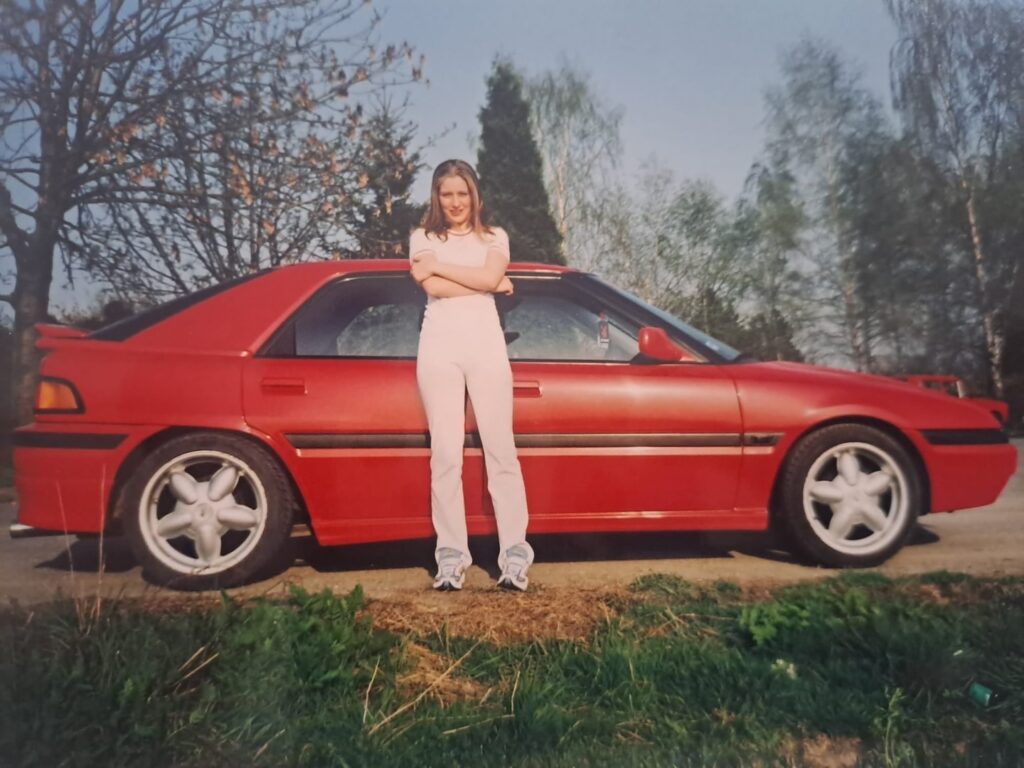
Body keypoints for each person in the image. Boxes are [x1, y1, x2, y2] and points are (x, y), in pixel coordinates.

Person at [409, 159, 534, 592]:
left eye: (462, 193)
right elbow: (433, 288)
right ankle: (450, 555)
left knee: (501, 450)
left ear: (474, 195)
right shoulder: (422, 237)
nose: (456, 202)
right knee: (445, 454)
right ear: (436, 197)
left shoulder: (494, 236)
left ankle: (514, 553)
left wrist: (445, 268)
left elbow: (482, 273)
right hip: (438, 350)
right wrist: (487, 282)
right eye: (447, 194)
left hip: (486, 348)